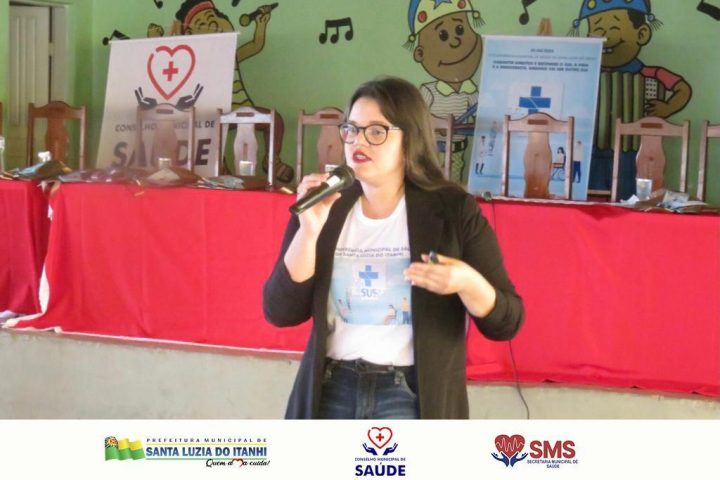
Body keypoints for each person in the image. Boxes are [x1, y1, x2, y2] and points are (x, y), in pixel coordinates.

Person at [263, 77, 524, 419]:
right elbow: (280, 312)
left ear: (409, 140)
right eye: (351, 129)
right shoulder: (327, 205)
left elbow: (506, 322)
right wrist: (308, 232)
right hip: (332, 387)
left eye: (376, 131)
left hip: (410, 393)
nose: (358, 141)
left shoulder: (452, 210)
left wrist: (466, 283)